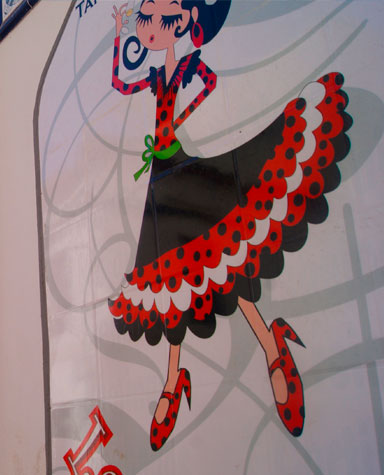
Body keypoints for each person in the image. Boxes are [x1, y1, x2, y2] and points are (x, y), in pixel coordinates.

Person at [107, 0, 352, 451]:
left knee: (221, 253)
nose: (150, 27)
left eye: (159, 19)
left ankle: (268, 345)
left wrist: (178, 123)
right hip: (161, 177)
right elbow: (121, 82)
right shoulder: (156, 76)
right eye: (145, 19)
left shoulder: (184, 67)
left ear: (184, 21)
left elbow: (209, 83)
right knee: (172, 274)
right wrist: (120, 34)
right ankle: (176, 375)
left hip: (179, 166)